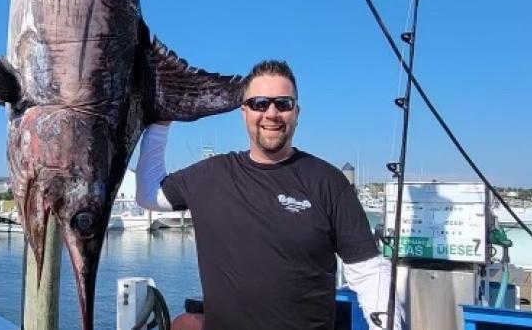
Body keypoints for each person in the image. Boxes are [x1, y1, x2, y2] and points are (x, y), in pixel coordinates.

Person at [136, 59, 404, 330]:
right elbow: (149, 194)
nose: (271, 113)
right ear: (244, 112)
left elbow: (369, 271)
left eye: (283, 104)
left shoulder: (329, 182)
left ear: (296, 112)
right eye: (260, 103)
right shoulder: (210, 175)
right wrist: (162, 118)